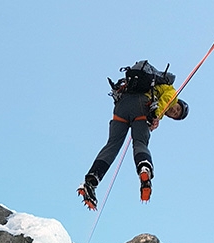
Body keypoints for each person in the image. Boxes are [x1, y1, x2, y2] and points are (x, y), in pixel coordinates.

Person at [78, 62, 189, 209]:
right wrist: (155, 114)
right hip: (141, 105)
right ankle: (144, 169)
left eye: (176, 115)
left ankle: (91, 180)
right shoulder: (171, 93)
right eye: (177, 109)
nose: (175, 112)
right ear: (178, 103)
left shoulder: (152, 87)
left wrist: (155, 118)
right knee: (140, 143)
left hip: (121, 106)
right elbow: (165, 101)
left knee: (112, 145)